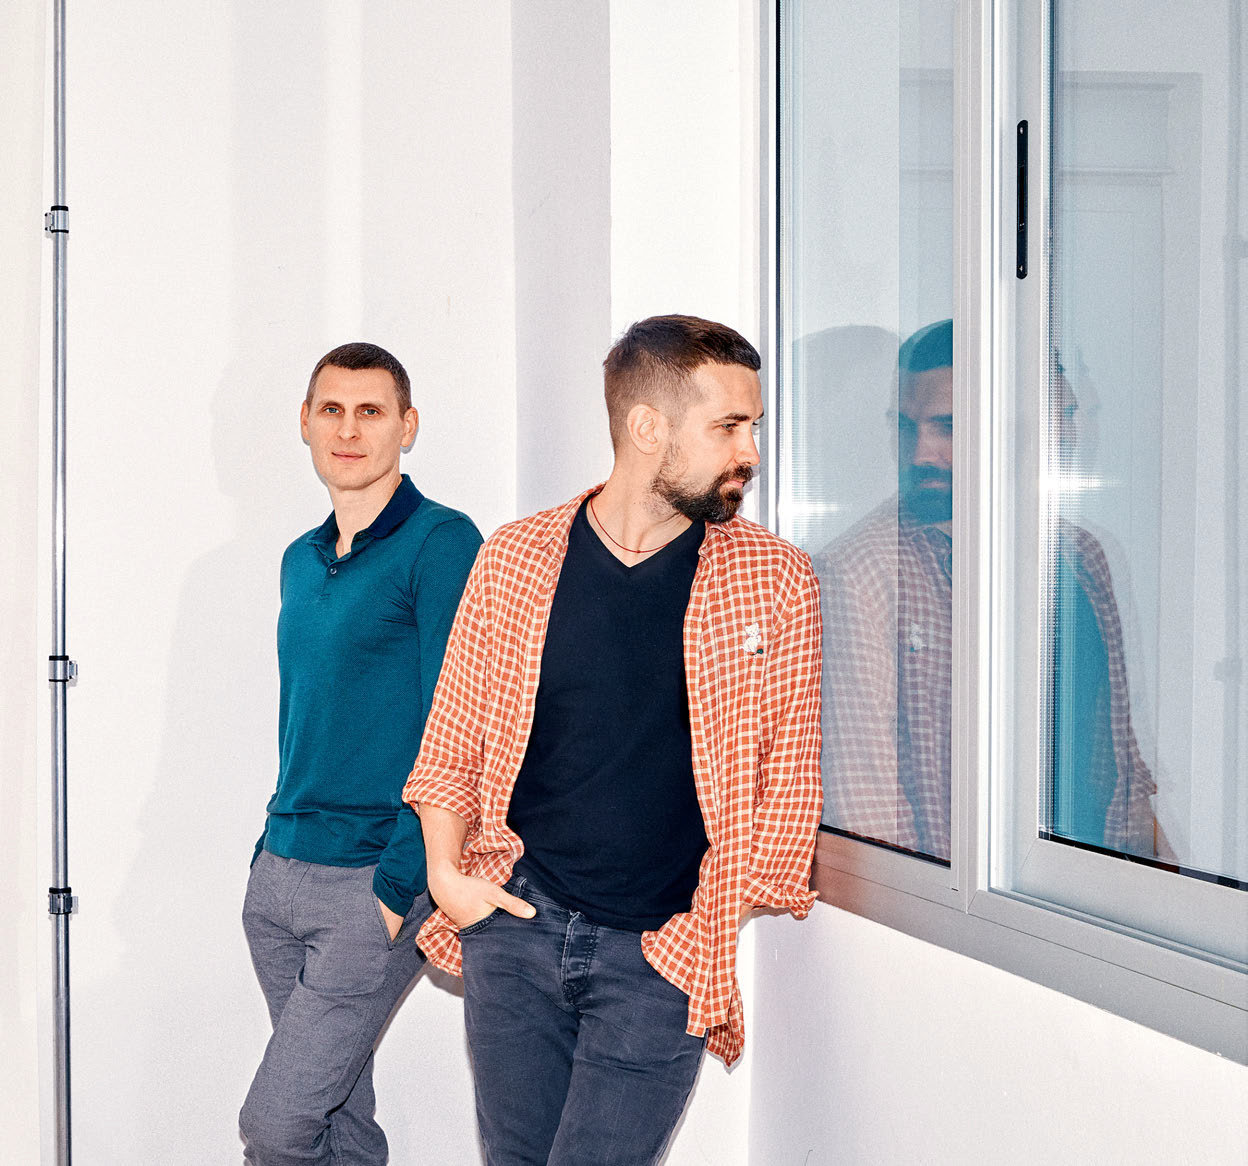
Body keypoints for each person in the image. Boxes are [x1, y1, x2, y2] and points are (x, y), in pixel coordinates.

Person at [404, 315, 823, 1165]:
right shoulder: (516, 559)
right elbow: (450, 744)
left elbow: (788, 790)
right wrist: (448, 876)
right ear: (647, 427)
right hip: (515, 932)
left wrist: (705, 929)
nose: (749, 451)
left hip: (660, 957)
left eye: (753, 427)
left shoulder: (774, 579)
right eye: (728, 427)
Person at [239, 342, 482, 1165]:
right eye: (332, 410)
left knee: (275, 1128)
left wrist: (398, 884)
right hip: (280, 874)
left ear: (406, 427)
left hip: (370, 877)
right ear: (305, 423)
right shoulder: (299, 559)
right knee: (338, 1121)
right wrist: (266, 850)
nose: (349, 430)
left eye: (371, 411)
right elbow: (308, 714)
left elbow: (459, 718)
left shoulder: (442, 542)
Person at [816, 319, 1165, 861]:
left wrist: (1156, 883)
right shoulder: (860, 573)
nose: (920, 453)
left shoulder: (1083, 558)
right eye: (906, 427)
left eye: (948, 427)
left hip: (1088, 888)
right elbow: (870, 818)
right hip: (963, 906)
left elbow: (1120, 769)